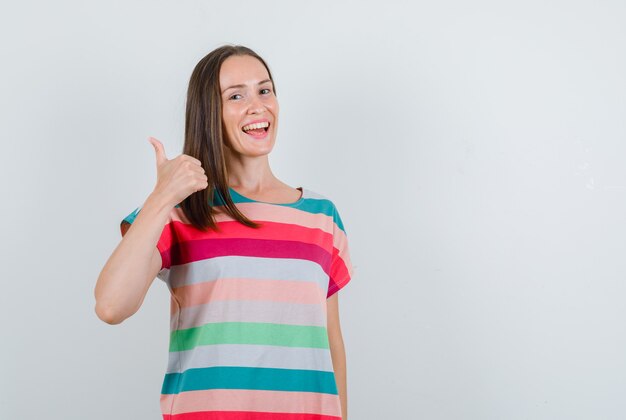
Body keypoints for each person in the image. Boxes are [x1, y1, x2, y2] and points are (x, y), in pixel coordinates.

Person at [94, 44, 355, 420]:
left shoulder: (321, 216)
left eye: (264, 90)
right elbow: (111, 306)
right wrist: (162, 196)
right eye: (236, 95)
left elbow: (332, 343)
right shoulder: (183, 210)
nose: (257, 105)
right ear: (208, 114)